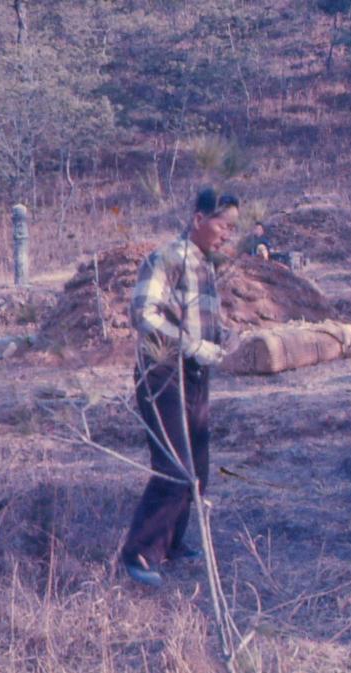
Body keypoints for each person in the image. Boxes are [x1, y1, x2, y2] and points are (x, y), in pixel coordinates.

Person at [121, 187, 240, 586]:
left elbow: (200, 320)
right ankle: (139, 555)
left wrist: (226, 336)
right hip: (163, 374)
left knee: (198, 468)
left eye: (233, 228)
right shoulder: (166, 257)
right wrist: (192, 346)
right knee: (175, 466)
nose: (228, 235)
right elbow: (143, 313)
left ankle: (172, 543)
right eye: (224, 226)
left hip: (195, 375)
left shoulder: (205, 265)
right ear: (198, 220)